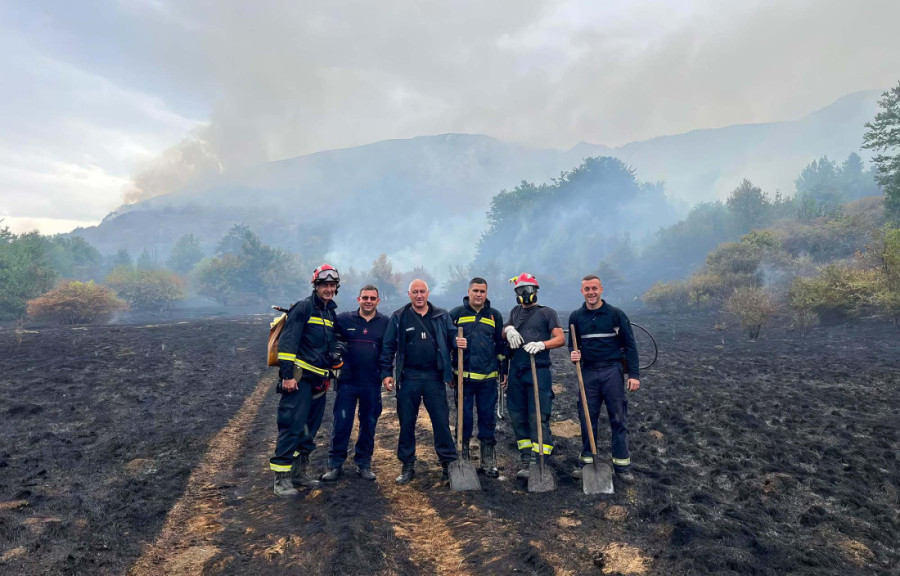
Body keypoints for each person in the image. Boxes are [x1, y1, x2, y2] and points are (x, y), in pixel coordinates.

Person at [271, 264, 343, 497]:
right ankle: (281, 479)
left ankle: (299, 473)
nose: (329, 289)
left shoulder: (329, 313)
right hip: (299, 380)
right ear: (316, 286)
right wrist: (288, 376)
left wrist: (336, 351)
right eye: (325, 285)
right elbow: (287, 345)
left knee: (309, 429)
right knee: (292, 425)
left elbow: (330, 342)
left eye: (332, 285)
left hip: (319, 380)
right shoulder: (303, 308)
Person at [380, 279, 458, 484]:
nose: (419, 295)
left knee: (441, 422)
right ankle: (407, 466)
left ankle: (448, 464)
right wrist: (387, 373)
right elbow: (388, 346)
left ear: (428, 293)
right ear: (409, 294)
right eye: (415, 292)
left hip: (434, 377)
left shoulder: (441, 315)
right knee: (407, 423)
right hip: (409, 377)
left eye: (422, 291)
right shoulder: (399, 317)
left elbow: (452, 341)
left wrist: (459, 346)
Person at [568, 275, 640, 484]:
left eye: (594, 288)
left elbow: (630, 346)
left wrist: (633, 375)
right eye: (587, 289)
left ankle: (622, 466)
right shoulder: (576, 317)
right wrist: (574, 354)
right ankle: (587, 464)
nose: (591, 292)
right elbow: (573, 345)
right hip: (588, 372)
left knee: (618, 418)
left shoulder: (616, 315)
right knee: (587, 418)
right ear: (582, 292)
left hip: (612, 372)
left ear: (601, 290)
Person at [321, 285, 389, 482]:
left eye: (372, 298)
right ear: (358, 299)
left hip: (372, 383)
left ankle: (364, 463)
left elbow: (388, 351)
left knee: (369, 424)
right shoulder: (343, 319)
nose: (368, 301)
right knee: (341, 423)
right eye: (365, 297)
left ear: (378, 301)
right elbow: (330, 339)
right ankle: (335, 464)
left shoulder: (385, 322)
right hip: (348, 383)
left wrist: (386, 373)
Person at [502, 273, 565, 479]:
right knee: (517, 415)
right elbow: (503, 331)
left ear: (535, 291)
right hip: (517, 370)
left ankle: (540, 459)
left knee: (537, 415)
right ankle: (525, 457)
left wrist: (542, 344)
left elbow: (560, 338)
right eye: (520, 291)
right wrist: (509, 329)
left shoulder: (547, 313)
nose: (524, 294)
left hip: (538, 370)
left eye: (527, 290)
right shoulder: (515, 312)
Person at [450, 277, 506, 478]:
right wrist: (450, 371)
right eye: (475, 290)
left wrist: (503, 369)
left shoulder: (494, 316)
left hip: (488, 379)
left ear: (487, 293)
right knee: (463, 419)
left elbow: (500, 346)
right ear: (468, 291)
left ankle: (488, 459)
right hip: (463, 379)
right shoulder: (456, 314)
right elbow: (448, 343)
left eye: (482, 291)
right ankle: (462, 456)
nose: (479, 294)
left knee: (487, 419)